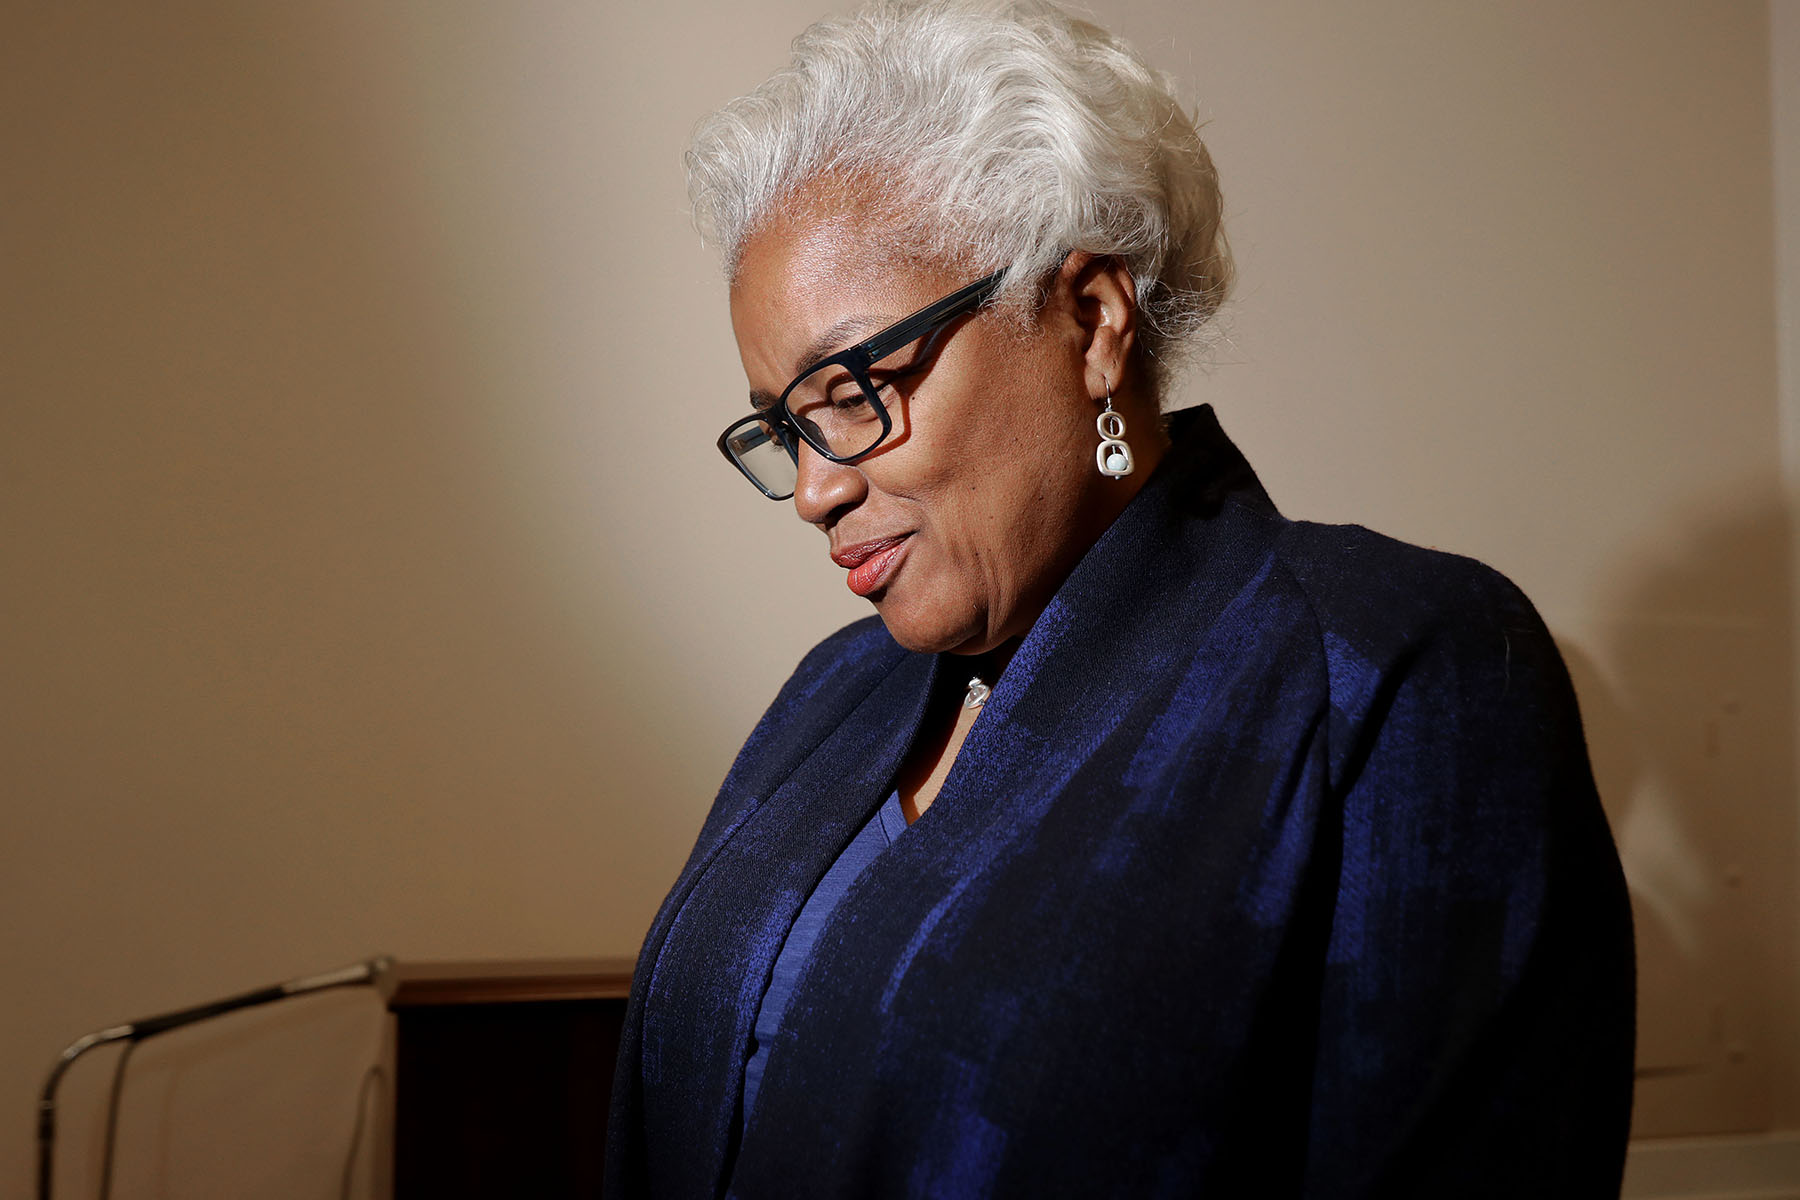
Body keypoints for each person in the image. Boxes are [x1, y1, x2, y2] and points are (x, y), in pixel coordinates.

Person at [606, 1, 1635, 1196]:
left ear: (1091, 320)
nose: (816, 489)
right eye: (786, 427)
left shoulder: (1393, 673)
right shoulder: (833, 693)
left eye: (856, 389)